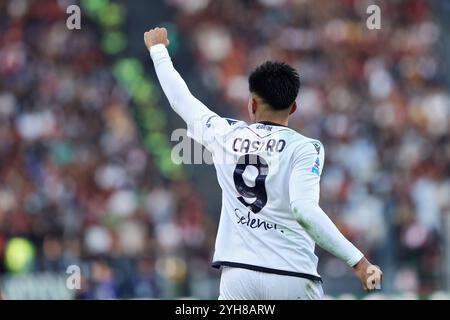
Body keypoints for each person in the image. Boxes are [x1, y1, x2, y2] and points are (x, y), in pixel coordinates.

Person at [144, 27, 383, 300]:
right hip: (292, 274)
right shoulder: (305, 148)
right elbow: (304, 210)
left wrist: (159, 51)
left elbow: (181, 101)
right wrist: (358, 262)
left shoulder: (225, 134)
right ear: (293, 107)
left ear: (252, 104)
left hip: (238, 277)